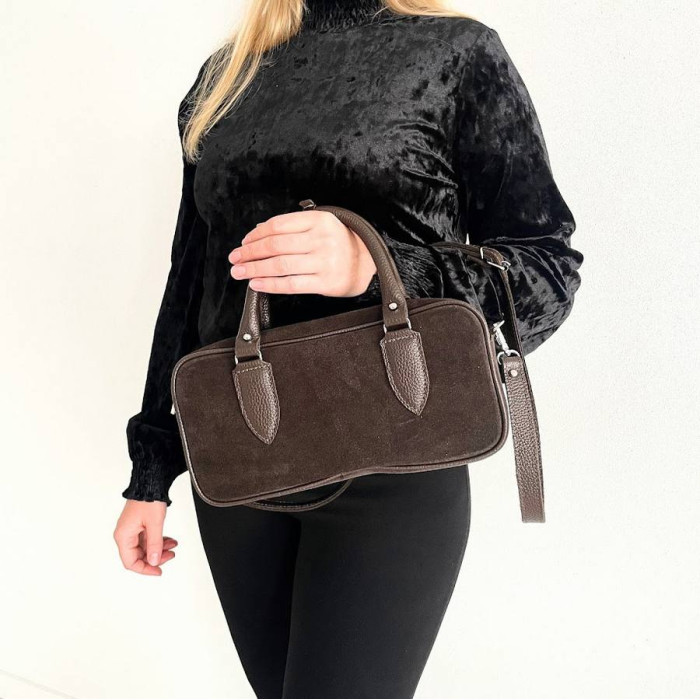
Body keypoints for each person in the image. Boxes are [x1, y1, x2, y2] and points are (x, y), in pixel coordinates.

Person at [113, 0, 584, 696]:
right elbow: (189, 284)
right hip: (241, 461)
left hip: (394, 458)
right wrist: (151, 472)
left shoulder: (455, 54)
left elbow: (545, 269)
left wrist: (381, 267)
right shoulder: (223, 78)